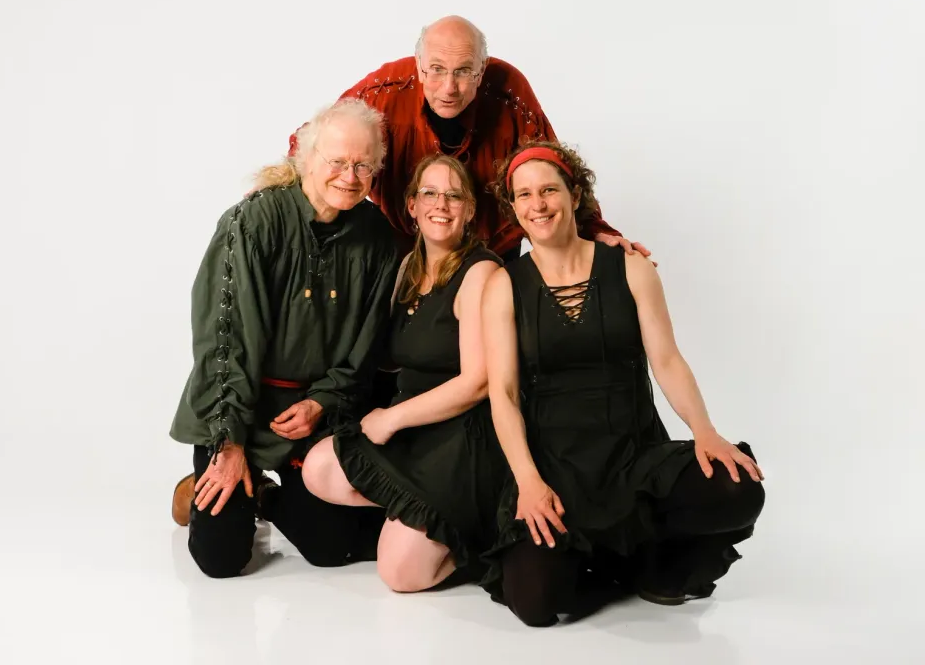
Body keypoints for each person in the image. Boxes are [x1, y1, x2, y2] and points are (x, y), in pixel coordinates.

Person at [480, 141, 766, 626]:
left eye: (549, 190)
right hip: (555, 468)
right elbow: (503, 395)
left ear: (575, 195)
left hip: (633, 456)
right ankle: (613, 565)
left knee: (739, 487)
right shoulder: (503, 285)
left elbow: (667, 360)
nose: (538, 205)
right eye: (524, 195)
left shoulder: (630, 267)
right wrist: (528, 481)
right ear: (513, 207)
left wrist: (704, 431)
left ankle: (659, 568)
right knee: (538, 605)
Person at [168, 98, 399, 578]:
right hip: (240, 412)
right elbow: (223, 340)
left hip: (310, 417)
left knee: (334, 545)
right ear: (307, 158)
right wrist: (230, 444)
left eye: (363, 165)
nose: (349, 176)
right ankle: (200, 483)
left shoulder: (379, 238)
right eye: (337, 161)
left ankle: (266, 496)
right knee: (220, 558)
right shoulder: (253, 221)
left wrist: (321, 402)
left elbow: (367, 347)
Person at [248, 15, 648, 264]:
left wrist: (597, 229)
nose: (449, 87)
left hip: (491, 249)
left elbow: (553, 170)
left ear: (482, 70)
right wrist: (291, 216)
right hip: (405, 247)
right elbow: (312, 144)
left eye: (463, 72)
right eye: (436, 69)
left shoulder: (509, 91)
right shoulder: (385, 90)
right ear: (419, 66)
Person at [300, 154, 506, 593]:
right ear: (412, 205)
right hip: (413, 428)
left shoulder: (482, 272)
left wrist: (390, 418)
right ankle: (419, 522)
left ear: (470, 210)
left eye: (454, 196)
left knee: (400, 575)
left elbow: (478, 382)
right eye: (429, 193)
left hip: (460, 436)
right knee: (319, 468)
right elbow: (390, 358)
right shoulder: (408, 266)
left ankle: (475, 536)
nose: (441, 205)